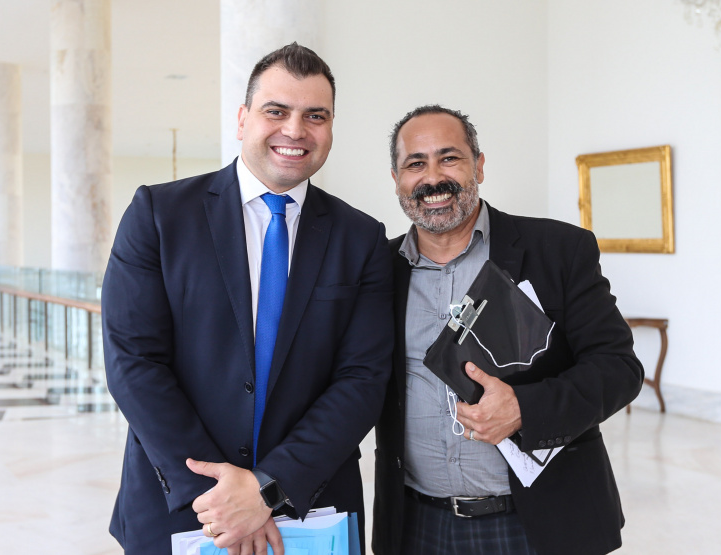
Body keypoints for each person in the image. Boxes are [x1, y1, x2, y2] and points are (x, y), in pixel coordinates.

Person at [101, 43, 393, 555]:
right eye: (276, 111)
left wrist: (267, 488)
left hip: (310, 510)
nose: (295, 130)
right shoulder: (158, 215)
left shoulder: (361, 237)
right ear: (242, 119)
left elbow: (363, 379)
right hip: (183, 508)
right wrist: (222, 498)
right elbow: (133, 362)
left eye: (315, 116)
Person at [372, 105, 644, 555]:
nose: (432, 177)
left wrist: (526, 408)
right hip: (414, 524)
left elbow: (618, 368)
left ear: (478, 164)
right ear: (398, 178)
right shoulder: (377, 270)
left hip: (537, 522)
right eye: (415, 163)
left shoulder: (557, 250)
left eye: (450, 158)